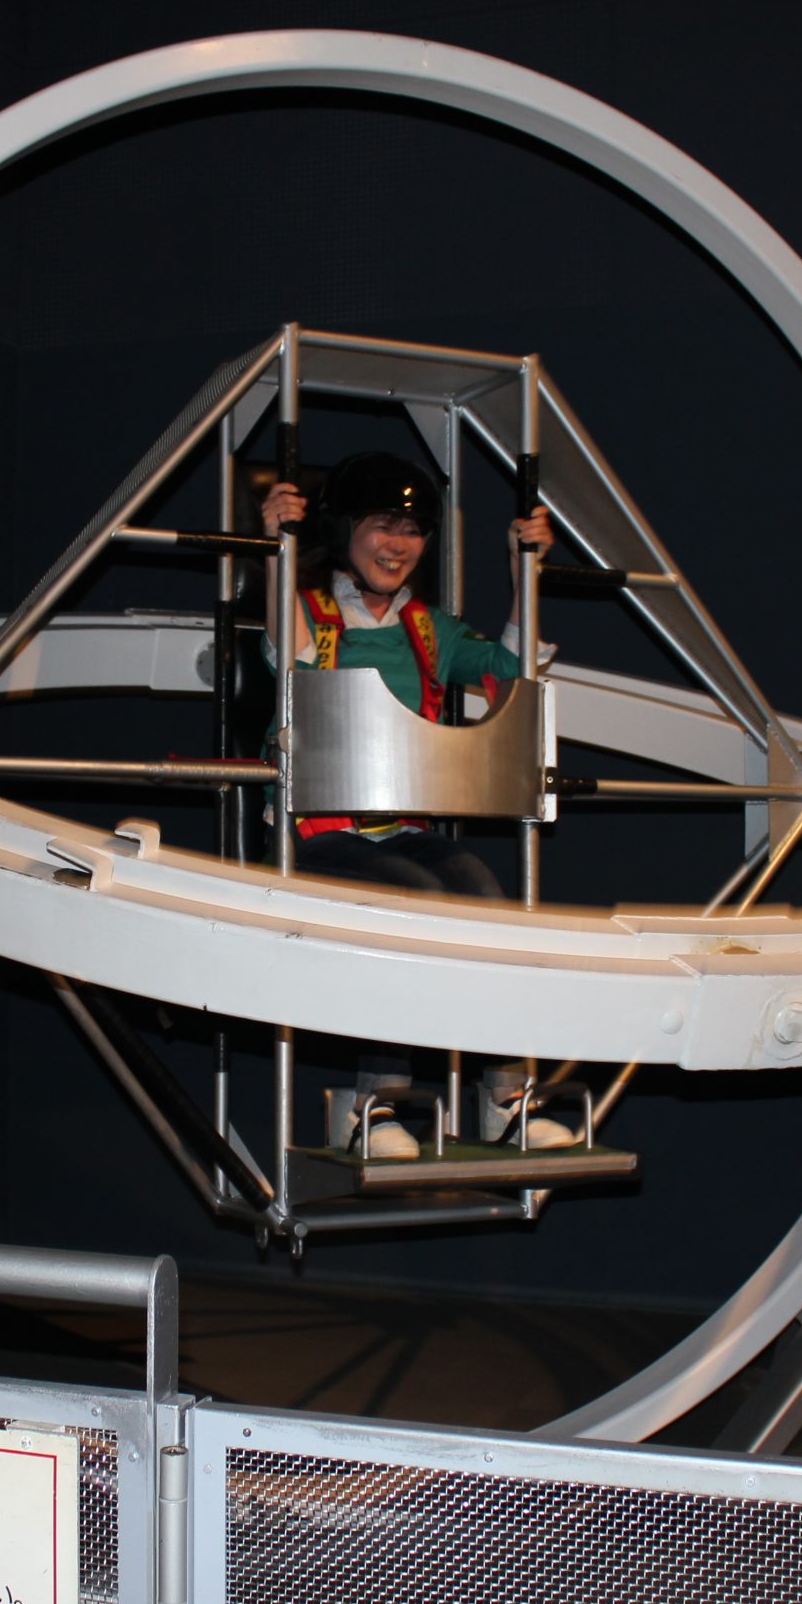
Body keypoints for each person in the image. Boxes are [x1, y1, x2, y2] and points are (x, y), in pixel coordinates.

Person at [259, 451, 579, 1158]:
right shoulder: (312, 613)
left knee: (484, 895)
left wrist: (523, 570)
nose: (397, 544)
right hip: (317, 831)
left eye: (411, 530)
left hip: (401, 828)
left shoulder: (428, 629)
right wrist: (276, 547)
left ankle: (504, 1098)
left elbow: (511, 674)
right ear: (345, 530)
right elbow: (290, 663)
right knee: (411, 899)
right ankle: (372, 1102)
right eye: (382, 525)